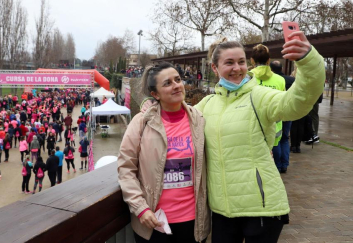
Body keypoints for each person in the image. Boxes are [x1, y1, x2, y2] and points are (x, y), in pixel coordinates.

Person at [194, 31, 325, 242]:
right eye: (229, 63)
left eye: (241, 62)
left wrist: (308, 61)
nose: (237, 68)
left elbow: (299, 101)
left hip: (261, 207)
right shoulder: (206, 105)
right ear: (214, 67)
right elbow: (176, 122)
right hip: (222, 210)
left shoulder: (259, 96)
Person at [118, 62, 210, 242]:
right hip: (154, 222)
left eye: (178, 80)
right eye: (167, 83)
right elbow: (125, 168)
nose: (176, 85)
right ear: (155, 94)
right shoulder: (141, 122)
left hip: (193, 222)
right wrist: (140, 208)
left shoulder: (199, 119)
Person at [250, 44, 286, 173]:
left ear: (252, 60)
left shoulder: (247, 77)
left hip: (252, 124)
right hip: (275, 125)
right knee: (274, 152)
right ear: (268, 60)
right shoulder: (280, 80)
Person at [270, 60, 295, 168]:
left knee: (276, 140)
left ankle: (278, 165)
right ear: (282, 68)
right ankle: (285, 164)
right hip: (288, 113)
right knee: (285, 139)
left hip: (277, 114)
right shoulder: (292, 80)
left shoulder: (272, 81)